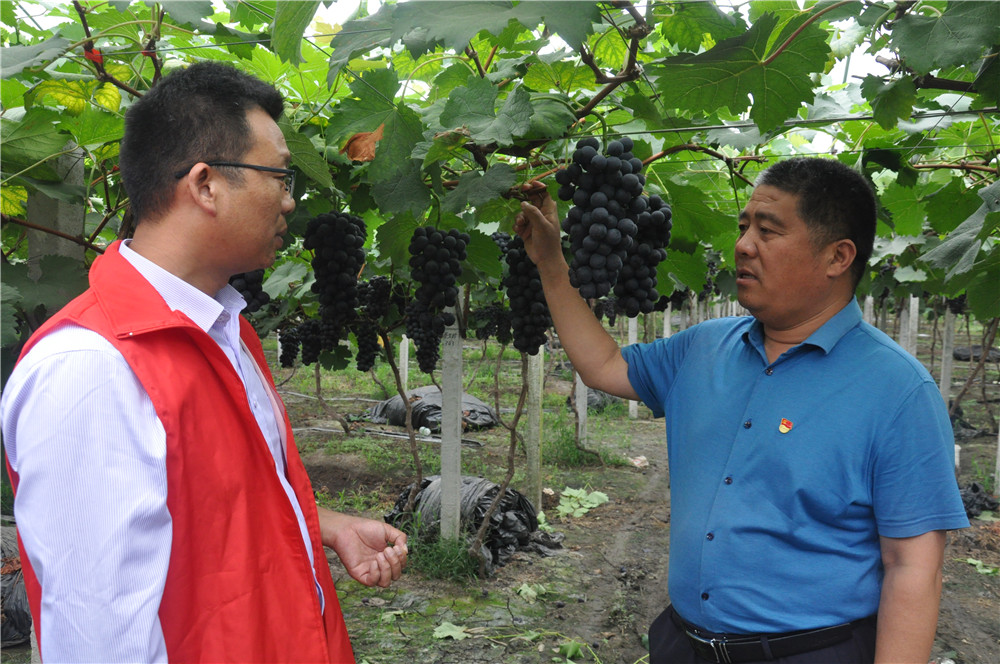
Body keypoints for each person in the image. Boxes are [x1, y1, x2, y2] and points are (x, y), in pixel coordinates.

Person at [1, 61, 407, 663]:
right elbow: (99, 640)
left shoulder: (225, 328)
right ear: (206, 184)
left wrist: (323, 523)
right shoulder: (90, 369)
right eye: (281, 176)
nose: (291, 202)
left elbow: (210, 501)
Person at [514, 157, 968, 664]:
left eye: (768, 231)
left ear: (838, 257)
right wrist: (551, 264)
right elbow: (604, 364)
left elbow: (913, 567)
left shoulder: (899, 391)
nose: (743, 245)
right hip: (682, 645)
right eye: (744, 226)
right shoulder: (703, 348)